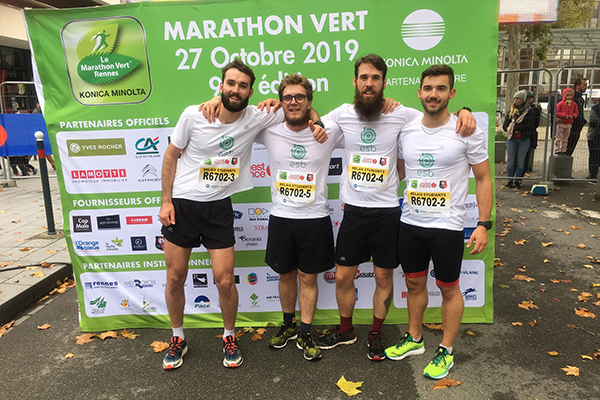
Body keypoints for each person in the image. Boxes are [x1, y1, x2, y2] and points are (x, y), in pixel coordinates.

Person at [159, 59, 326, 370]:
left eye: (243, 85)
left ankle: (229, 335)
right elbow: (171, 155)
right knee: (174, 278)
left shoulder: (256, 116)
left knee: (224, 280)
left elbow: (302, 109)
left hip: (219, 207)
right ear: (221, 85)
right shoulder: (193, 115)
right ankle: (178, 337)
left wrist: (316, 120)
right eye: (231, 83)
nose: (236, 90)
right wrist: (166, 201)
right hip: (182, 205)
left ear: (251, 91)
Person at [315, 54, 476, 361]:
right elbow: (314, 117)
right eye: (364, 77)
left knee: (383, 278)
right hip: (353, 211)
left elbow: (438, 116)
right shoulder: (344, 114)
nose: (369, 83)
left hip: (388, 213)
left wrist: (465, 111)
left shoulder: (402, 114)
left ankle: (375, 333)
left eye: (375, 78)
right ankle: (346, 330)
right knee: (343, 276)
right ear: (355, 81)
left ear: (383, 83)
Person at [384, 64, 492, 380]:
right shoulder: (407, 129)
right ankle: (415, 339)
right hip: (411, 223)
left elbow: (483, 178)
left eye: (441, 89)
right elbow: (399, 171)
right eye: (428, 88)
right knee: (414, 283)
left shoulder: (466, 129)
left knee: (448, 288)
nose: (434, 94)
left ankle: (445, 349)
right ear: (419, 92)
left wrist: (483, 223)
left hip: (447, 227)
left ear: (451, 93)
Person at [257, 74, 343, 361]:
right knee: (285, 275)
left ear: (309, 101)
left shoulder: (327, 129)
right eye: (288, 97)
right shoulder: (269, 128)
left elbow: (367, 125)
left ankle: (305, 332)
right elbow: (234, 118)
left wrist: (317, 121)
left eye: (300, 97)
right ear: (281, 102)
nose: (294, 102)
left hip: (315, 218)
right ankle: (288, 325)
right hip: (281, 217)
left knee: (308, 278)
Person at [502, 90, 536, 188]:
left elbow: (530, 125)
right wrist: (511, 129)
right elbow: (505, 125)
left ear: (523, 100)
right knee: (511, 161)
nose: (516, 101)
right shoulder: (511, 111)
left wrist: (517, 129)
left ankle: (517, 181)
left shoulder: (529, 111)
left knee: (520, 161)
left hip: (523, 139)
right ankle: (510, 180)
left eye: (518, 99)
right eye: (515, 99)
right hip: (511, 138)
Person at [566, 77, 587, 156]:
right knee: (565, 148)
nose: (586, 87)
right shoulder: (571, 98)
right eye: (584, 85)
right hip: (570, 127)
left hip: (577, 129)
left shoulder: (581, 99)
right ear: (577, 86)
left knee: (571, 149)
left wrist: (582, 122)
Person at [555, 88, 579, 156]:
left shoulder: (574, 104)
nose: (569, 97)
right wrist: (565, 115)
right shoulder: (560, 104)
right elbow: (556, 112)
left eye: (571, 95)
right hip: (561, 122)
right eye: (567, 95)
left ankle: (564, 149)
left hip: (569, 123)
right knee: (559, 137)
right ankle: (558, 149)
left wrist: (573, 116)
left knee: (565, 138)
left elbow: (576, 112)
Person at [523, 91, 541, 172]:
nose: (527, 100)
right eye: (526, 98)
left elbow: (535, 123)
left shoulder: (534, 109)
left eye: (529, 98)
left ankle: (524, 171)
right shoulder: (517, 108)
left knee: (527, 155)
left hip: (530, 134)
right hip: (521, 134)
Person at [586, 102, 600, 180]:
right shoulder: (595, 108)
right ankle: (592, 174)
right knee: (593, 156)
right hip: (594, 136)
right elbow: (593, 120)